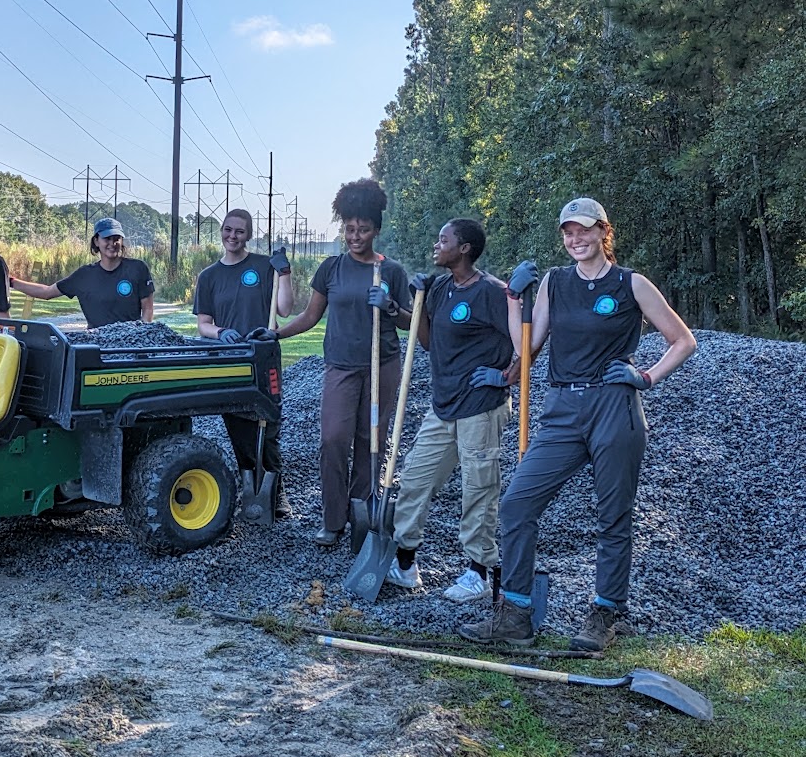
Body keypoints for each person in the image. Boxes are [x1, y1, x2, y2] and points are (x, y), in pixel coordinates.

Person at [459, 197, 696, 652]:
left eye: (584, 230)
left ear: (604, 232)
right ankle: (515, 615)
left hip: (615, 409)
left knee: (613, 517)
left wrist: (645, 376)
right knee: (516, 505)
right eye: (568, 232)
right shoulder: (555, 282)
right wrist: (513, 297)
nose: (575, 239)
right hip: (562, 410)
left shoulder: (632, 284)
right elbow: (525, 351)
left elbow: (682, 341)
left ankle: (605, 613)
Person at [248, 178, 412, 546]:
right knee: (334, 440)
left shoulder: (391, 272)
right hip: (340, 365)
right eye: (350, 229)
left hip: (380, 366)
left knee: (372, 441)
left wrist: (391, 308)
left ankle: (361, 515)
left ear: (376, 230)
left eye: (363, 229)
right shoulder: (331, 268)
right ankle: (332, 518)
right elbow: (309, 316)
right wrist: (276, 334)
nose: (355, 236)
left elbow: (409, 321)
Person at [385, 219, 520, 601]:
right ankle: (406, 564)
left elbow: (526, 339)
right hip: (443, 406)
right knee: (414, 479)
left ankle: (479, 571)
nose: (436, 244)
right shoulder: (442, 287)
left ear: (464, 249)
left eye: (443, 239)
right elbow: (426, 341)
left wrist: (506, 376)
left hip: (480, 407)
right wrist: (409, 305)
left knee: (479, 488)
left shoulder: (493, 293)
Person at [193, 209, 295, 518]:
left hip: (263, 358)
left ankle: (277, 494)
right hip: (230, 361)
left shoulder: (264, 267)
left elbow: (285, 309)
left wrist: (285, 274)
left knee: (269, 426)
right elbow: (203, 324)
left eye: (239, 231)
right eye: (228, 230)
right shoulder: (209, 276)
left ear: (248, 235)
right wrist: (220, 332)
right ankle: (251, 489)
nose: (232, 236)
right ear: (221, 231)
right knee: (238, 427)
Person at [9, 217, 154, 327]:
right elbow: (47, 292)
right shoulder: (84, 275)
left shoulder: (138, 268)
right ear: (96, 241)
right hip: (97, 344)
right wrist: (11, 282)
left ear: (122, 241)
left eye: (116, 239)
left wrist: (140, 335)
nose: (112, 243)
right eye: (107, 238)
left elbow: (147, 311)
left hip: (131, 344)